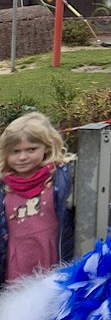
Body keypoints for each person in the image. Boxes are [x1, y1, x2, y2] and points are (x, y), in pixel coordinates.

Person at [0, 112, 75, 285]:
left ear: (47, 147)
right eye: (15, 151)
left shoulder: (59, 180)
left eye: (31, 149)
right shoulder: (4, 188)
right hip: (16, 266)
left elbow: (87, 213)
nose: (22, 157)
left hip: (53, 260)